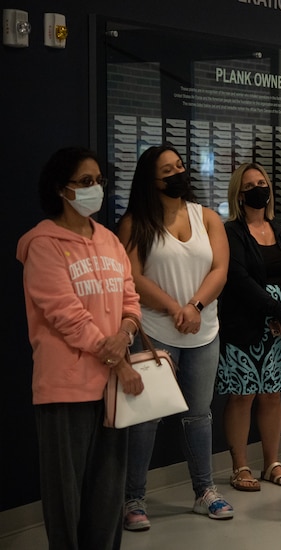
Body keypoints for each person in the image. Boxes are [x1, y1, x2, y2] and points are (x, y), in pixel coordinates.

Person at [16, 147, 143, 549]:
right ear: (61, 189)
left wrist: (126, 333)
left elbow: (130, 300)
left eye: (99, 181)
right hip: (66, 386)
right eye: (85, 182)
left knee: (107, 493)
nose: (95, 189)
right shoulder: (43, 243)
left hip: (110, 388)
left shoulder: (109, 240)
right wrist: (122, 364)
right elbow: (66, 316)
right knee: (66, 496)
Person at [117, 144, 233, 529]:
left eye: (180, 166)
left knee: (199, 415)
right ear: (151, 181)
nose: (178, 174)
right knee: (145, 419)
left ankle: (205, 491)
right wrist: (174, 307)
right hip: (153, 333)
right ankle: (133, 499)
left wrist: (194, 307)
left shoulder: (207, 218)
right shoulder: (136, 222)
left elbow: (219, 269)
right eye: (167, 170)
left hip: (203, 331)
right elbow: (132, 276)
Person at [217, 163, 281, 492]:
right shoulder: (231, 232)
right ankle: (239, 467)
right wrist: (278, 311)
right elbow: (239, 279)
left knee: (272, 395)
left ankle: (272, 463)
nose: (259, 188)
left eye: (262, 182)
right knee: (242, 395)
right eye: (251, 184)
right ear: (239, 194)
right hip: (246, 324)